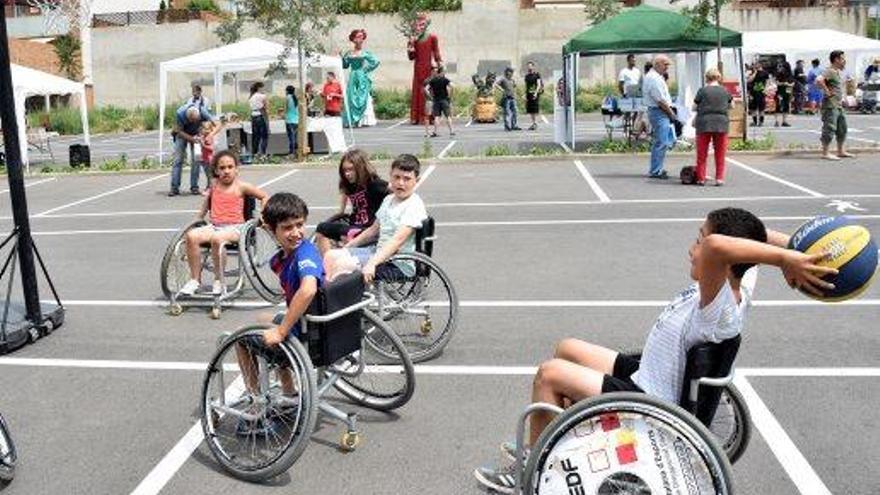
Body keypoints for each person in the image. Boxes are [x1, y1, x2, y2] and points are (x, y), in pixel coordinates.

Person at [473, 207, 837, 494]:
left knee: (549, 373)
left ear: (724, 260)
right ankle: (559, 436)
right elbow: (739, 240)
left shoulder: (720, 307)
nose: (693, 248)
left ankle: (532, 470)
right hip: (647, 372)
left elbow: (716, 246)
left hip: (653, 399)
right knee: (568, 348)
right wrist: (794, 249)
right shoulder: (738, 279)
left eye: (699, 240)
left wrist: (784, 261)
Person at [234, 192, 323, 433]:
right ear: (273, 230)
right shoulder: (289, 253)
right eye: (287, 228)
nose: (295, 232)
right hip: (312, 326)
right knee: (262, 320)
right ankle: (289, 392)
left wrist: (282, 331)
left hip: (304, 336)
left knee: (241, 340)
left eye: (299, 225)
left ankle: (256, 404)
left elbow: (308, 290)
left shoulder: (304, 253)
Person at [323, 154, 428, 285]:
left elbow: (397, 240)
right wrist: (348, 247)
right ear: (390, 176)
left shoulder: (414, 205)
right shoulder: (389, 199)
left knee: (342, 265)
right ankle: (332, 297)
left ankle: (338, 301)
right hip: (379, 253)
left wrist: (372, 263)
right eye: (397, 177)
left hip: (398, 263)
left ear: (416, 181)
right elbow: (373, 230)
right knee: (331, 256)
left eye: (407, 179)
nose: (401, 183)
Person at [179, 151, 269, 297]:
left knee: (217, 238)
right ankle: (195, 279)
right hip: (214, 226)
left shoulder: (242, 186)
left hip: (236, 228)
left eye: (230, 167)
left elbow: (264, 196)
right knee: (191, 236)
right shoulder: (214, 186)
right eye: (222, 168)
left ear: (236, 169)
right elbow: (205, 206)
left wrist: (264, 215)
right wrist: (196, 221)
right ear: (216, 170)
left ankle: (218, 280)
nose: (226, 171)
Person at [314, 148, 388, 255]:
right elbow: (344, 192)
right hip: (354, 225)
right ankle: (327, 262)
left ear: (361, 168)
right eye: (345, 170)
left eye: (351, 169)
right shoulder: (349, 184)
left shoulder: (374, 184)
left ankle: (331, 261)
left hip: (368, 229)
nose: (347, 174)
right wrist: (341, 211)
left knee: (340, 236)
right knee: (322, 228)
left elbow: (394, 189)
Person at [693, 68, 732, 187]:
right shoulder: (725, 91)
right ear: (719, 78)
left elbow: (694, 107)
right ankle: (719, 178)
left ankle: (701, 178)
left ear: (707, 78)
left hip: (704, 123)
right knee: (720, 153)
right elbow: (732, 105)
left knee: (702, 153)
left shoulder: (702, 91)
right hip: (721, 123)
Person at [642, 55, 676, 179]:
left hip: (660, 111)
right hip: (659, 111)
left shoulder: (656, 77)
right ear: (657, 64)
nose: (667, 67)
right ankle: (656, 171)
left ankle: (657, 168)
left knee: (662, 141)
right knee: (661, 142)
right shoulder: (653, 78)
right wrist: (671, 113)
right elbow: (660, 100)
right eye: (665, 64)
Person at [816, 50, 853, 161]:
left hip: (838, 105)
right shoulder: (830, 71)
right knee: (829, 128)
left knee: (842, 128)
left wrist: (844, 99)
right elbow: (818, 80)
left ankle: (840, 151)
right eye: (842, 59)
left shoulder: (837, 72)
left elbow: (838, 88)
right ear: (836, 59)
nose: (844, 61)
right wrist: (827, 91)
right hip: (830, 105)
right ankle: (825, 153)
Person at [407, 12, 443, 125]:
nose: (420, 27)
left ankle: (430, 117)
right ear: (415, 26)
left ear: (426, 24)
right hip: (418, 68)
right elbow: (411, 57)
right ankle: (417, 117)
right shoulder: (413, 39)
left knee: (430, 92)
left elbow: (436, 51)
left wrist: (439, 63)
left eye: (422, 24)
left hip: (429, 68)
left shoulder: (432, 37)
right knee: (418, 92)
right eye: (418, 25)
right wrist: (411, 47)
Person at [169, 104, 211, 197]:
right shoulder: (180, 113)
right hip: (182, 135)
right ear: (187, 117)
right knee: (177, 160)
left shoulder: (202, 111)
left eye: (195, 121)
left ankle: (194, 187)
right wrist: (192, 139)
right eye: (191, 121)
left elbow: (212, 122)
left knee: (196, 160)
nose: (193, 122)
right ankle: (174, 188)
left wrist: (204, 134)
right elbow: (179, 131)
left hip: (197, 135)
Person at [342, 29, 380, 128]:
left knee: (362, 95)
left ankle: (362, 119)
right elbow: (345, 65)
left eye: (361, 37)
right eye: (358, 37)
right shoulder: (349, 53)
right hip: (353, 75)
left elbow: (375, 62)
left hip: (361, 75)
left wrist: (365, 70)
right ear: (353, 39)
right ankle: (352, 119)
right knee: (351, 95)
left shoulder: (365, 52)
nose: (360, 39)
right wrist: (341, 58)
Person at [424, 65, 455, 137]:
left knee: (437, 117)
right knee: (448, 116)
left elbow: (426, 89)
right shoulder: (445, 79)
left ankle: (435, 132)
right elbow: (453, 86)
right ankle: (452, 131)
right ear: (442, 72)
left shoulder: (433, 80)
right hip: (444, 100)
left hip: (436, 100)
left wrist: (430, 96)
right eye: (444, 72)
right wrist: (450, 95)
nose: (444, 73)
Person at [248, 82, 269, 158]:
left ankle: (255, 153)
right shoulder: (263, 96)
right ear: (259, 88)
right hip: (261, 115)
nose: (264, 89)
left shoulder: (251, 97)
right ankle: (263, 153)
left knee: (255, 136)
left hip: (253, 116)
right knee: (264, 136)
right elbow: (266, 108)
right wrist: (267, 118)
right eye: (263, 87)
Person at [496, 67, 521, 131]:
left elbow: (515, 87)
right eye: (510, 72)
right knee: (507, 112)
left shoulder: (512, 80)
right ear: (507, 72)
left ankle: (514, 125)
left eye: (512, 72)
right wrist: (502, 90)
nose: (511, 73)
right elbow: (496, 85)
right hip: (506, 98)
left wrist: (517, 94)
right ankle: (507, 126)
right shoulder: (503, 79)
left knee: (515, 112)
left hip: (513, 98)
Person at [524, 61, 544, 131]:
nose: (529, 67)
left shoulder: (537, 75)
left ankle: (535, 123)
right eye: (528, 66)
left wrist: (536, 93)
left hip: (535, 94)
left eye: (530, 66)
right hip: (529, 94)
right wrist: (525, 94)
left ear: (533, 66)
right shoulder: (526, 76)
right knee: (530, 110)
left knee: (535, 109)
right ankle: (533, 123)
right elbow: (527, 86)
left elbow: (538, 85)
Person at [747, 61, 769, 127]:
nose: (755, 66)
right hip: (753, 92)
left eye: (756, 65)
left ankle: (761, 122)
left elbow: (767, 81)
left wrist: (766, 89)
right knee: (753, 108)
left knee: (761, 108)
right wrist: (755, 73)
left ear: (760, 65)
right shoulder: (752, 73)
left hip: (761, 92)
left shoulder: (765, 73)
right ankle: (755, 121)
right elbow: (749, 80)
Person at [774, 59, 793, 127]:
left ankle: (784, 121)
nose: (781, 68)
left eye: (782, 66)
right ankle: (777, 121)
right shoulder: (779, 73)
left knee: (786, 106)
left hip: (787, 91)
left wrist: (788, 84)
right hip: (780, 91)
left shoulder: (790, 74)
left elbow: (793, 83)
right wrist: (783, 83)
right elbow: (776, 82)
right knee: (778, 106)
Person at [284, 85, 299, 157]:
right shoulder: (295, 97)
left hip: (289, 119)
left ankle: (291, 152)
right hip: (296, 120)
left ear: (287, 91)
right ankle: (296, 151)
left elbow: (286, 108)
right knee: (295, 136)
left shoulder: (288, 97)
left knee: (291, 137)